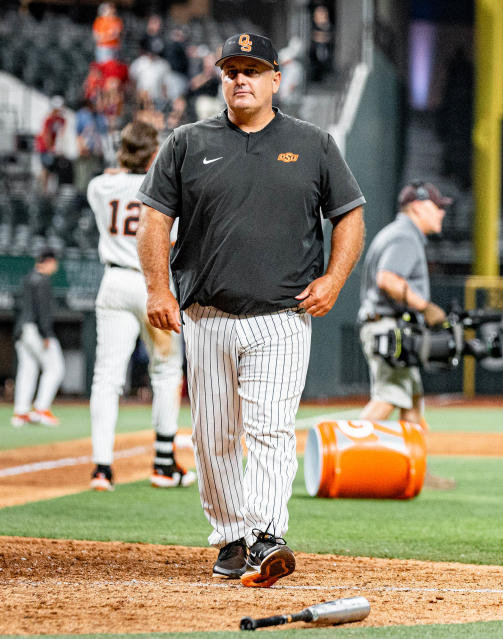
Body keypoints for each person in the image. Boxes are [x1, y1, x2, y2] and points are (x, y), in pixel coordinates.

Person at [136, 33, 366, 586]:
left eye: (253, 70)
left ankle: (266, 534)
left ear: (275, 80)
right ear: (221, 77)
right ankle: (231, 537)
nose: (241, 79)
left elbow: (350, 216)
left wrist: (334, 280)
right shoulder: (187, 141)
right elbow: (153, 221)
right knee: (213, 435)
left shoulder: (313, 143)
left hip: (282, 317)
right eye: (232, 69)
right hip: (207, 316)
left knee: (269, 428)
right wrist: (158, 290)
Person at [86, 120, 195, 493]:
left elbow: (111, 179)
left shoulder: (98, 186)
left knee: (106, 377)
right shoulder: (165, 185)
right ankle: (164, 463)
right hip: (153, 282)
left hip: (113, 281)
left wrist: (123, 168)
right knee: (165, 372)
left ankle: (101, 468)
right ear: (154, 154)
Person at [357, 181, 450, 427]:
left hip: (389, 327)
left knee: (412, 399)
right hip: (388, 328)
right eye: (437, 206)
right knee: (389, 396)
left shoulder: (398, 233)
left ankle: (417, 467)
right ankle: (342, 451)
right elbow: (387, 279)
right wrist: (425, 306)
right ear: (418, 206)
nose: (442, 212)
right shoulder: (405, 236)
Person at [12, 249, 64, 427]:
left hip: (21, 330)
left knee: (27, 371)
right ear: (49, 261)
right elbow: (42, 310)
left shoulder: (27, 278)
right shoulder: (42, 280)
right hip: (36, 329)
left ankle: (20, 413)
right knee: (55, 368)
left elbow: (16, 305)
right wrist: (46, 333)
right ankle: (41, 408)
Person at [34, 97, 66, 195]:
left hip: (51, 147)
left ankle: (47, 188)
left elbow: (61, 134)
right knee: (46, 167)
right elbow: (46, 135)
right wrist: (50, 148)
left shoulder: (61, 120)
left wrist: (58, 147)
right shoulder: (48, 119)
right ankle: (44, 189)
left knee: (52, 168)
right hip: (43, 146)